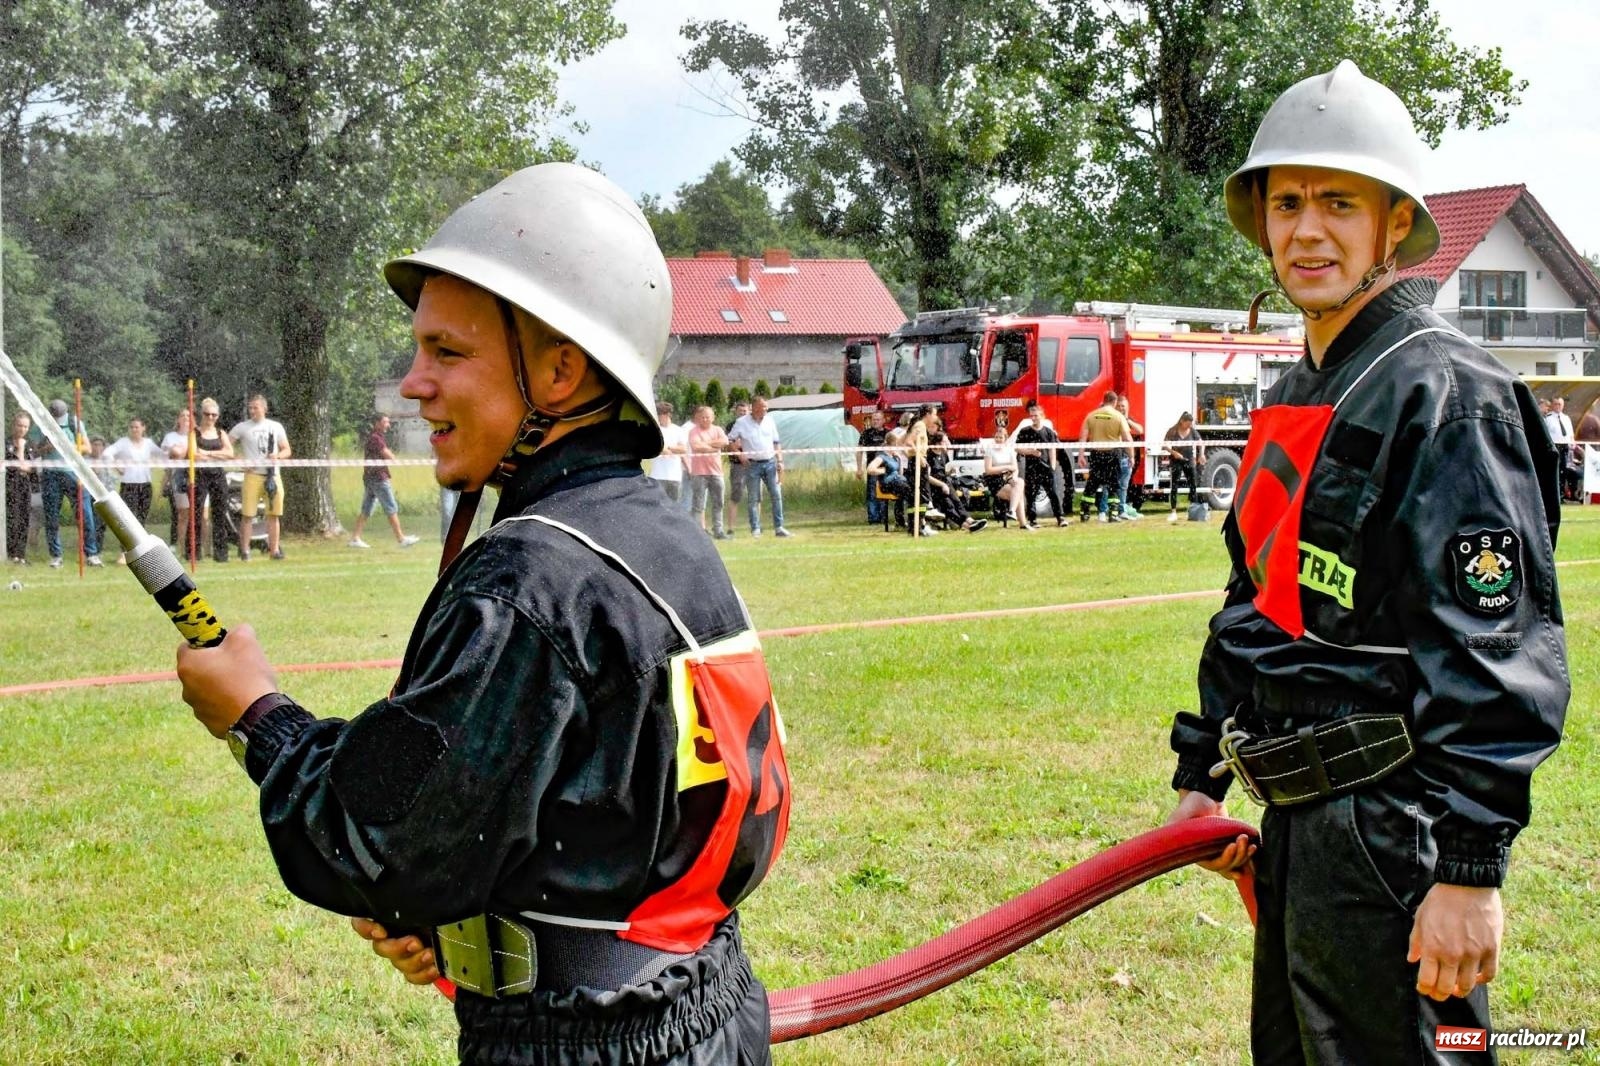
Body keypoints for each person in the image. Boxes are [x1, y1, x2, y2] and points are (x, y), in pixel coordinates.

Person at [174, 163, 786, 1066]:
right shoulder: (662, 532)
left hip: (591, 1044)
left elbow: (372, 841)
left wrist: (256, 717)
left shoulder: (531, 580)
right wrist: (474, 916)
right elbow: (590, 813)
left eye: (448, 353)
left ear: (560, 369)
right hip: (704, 1006)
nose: (414, 384)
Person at [1166, 61, 1568, 1065]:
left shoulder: (1447, 396)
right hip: (1297, 828)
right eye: (1287, 201)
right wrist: (1204, 768)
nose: (1307, 230)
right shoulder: (1306, 387)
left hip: (1399, 835)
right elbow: (1255, 597)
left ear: (1393, 224)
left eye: (1339, 203)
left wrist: (1468, 872)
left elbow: (1493, 647)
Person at [37, 398, 103, 567]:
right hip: (51, 475)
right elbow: (35, 449)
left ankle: (92, 554)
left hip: (74, 474)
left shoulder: (75, 423)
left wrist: (68, 447)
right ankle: (56, 556)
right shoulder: (42, 423)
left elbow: (87, 448)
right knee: (52, 517)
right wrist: (48, 448)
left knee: (85, 514)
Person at [229, 393, 292, 561]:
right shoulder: (242, 427)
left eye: (255, 407)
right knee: (248, 515)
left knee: (274, 514)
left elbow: (287, 449)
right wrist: (241, 462)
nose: (252, 411)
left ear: (264, 408)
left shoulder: (276, 426)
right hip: (253, 476)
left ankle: (274, 550)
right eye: (250, 408)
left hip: (273, 475)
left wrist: (277, 457)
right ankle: (245, 550)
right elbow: (227, 447)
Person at [348, 413, 421, 550]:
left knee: (366, 509)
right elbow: (388, 456)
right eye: (385, 422)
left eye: (388, 422)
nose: (388, 425)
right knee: (391, 507)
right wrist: (393, 456)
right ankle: (401, 539)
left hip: (370, 478)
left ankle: (355, 538)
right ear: (377, 423)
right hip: (378, 478)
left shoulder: (376, 438)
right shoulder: (376, 439)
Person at [104, 418, 166, 564]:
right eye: (131, 427)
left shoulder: (149, 443)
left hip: (145, 486)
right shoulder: (123, 443)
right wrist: (116, 466)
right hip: (128, 486)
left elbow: (163, 454)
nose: (134, 430)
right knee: (127, 521)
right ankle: (124, 552)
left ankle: (140, 552)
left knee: (141, 520)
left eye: (137, 427)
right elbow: (107, 453)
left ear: (143, 428)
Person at [728, 395, 789, 537]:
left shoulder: (770, 421)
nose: (766, 409)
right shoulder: (741, 422)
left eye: (766, 407)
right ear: (754, 408)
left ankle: (779, 527)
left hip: (770, 463)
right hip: (752, 465)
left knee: (776, 495)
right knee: (753, 498)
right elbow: (729, 440)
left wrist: (780, 460)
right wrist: (739, 454)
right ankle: (755, 528)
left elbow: (776, 442)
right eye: (763, 407)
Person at [190, 398, 236, 563]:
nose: (210, 418)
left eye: (214, 415)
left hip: (218, 475)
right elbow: (194, 454)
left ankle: (221, 553)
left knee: (220, 514)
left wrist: (208, 454)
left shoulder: (220, 433)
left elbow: (230, 454)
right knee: (196, 513)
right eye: (207, 414)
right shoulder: (194, 433)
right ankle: (193, 552)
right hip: (199, 476)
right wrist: (218, 453)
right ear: (201, 414)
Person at [1078, 391, 1131, 522]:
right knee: (1114, 485)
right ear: (1115, 402)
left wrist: (1081, 454)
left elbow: (1083, 436)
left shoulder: (1091, 415)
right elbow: (1127, 438)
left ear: (1104, 400)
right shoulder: (1119, 417)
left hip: (1096, 453)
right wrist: (1132, 456)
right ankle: (1113, 514)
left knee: (1092, 484)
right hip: (1113, 453)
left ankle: (1085, 512)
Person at [1014, 402, 1065, 527]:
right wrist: (1030, 451)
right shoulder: (1025, 431)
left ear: (1042, 416)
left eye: (1035, 416)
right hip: (1032, 468)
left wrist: (1052, 466)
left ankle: (1060, 518)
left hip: (1046, 467)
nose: (1033, 418)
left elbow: (1052, 449)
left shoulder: (1048, 432)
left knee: (1053, 493)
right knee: (1031, 494)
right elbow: (1017, 448)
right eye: (1031, 416)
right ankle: (1033, 519)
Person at [685, 405, 730, 539]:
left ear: (713, 418)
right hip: (699, 473)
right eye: (702, 417)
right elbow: (696, 446)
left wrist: (706, 444)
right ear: (698, 418)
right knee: (698, 504)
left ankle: (718, 530)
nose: (705, 420)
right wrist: (712, 448)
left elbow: (725, 441)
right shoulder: (693, 431)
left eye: (708, 417)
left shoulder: (718, 429)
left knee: (718, 503)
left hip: (716, 473)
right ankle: (698, 532)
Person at [979, 422, 1027, 528]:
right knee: (1018, 493)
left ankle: (1012, 511)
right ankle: (1022, 523)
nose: (998, 440)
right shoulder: (989, 450)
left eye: (1000, 438)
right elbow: (988, 470)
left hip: (1008, 478)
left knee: (1020, 482)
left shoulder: (1009, 450)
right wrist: (1005, 468)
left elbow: (1015, 468)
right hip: (995, 480)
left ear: (1005, 438)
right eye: (996, 437)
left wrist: (1013, 477)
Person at [161, 409, 195, 555]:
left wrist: (182, 451)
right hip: (177, 476)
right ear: (178, 419)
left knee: (200, 513)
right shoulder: (170, 437)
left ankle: (200, 546)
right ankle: (177, 544)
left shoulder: (195, 435)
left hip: (196, 475)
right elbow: (170, 456)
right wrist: (165, 481)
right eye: (183, 415)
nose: (186, 418)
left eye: (189, 415)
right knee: (179, 513)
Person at [1161, 412, 1206, 524]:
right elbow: (1164, 445)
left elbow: (1201, 442)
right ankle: (1173, 511)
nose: (1189, 425)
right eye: (1188, 423)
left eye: (1191, 423)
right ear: (1182, 421)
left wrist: (1201, 454)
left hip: (1189, 458)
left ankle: (1193, 509)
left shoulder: (1192, 431)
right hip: (1176, 460)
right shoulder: (1173, 431)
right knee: (1174, 485)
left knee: (1193, 484)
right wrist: (1173, 452)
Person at [646, 401, 689, 505]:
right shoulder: (654, 430)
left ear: (668, 414)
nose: (658, 416)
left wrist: (669, 447)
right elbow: (652, 446)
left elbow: (683, 449)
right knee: (657, 505)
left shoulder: (678, 430)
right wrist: (663, 449)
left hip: (674, 476)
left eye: (660, 414)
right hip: (657, 475)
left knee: (674, 506)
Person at [6, 411, 35, 563]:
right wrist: (20, 450)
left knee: (24, 520)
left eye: (25, 427)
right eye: (20, 425)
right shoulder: (6, 444)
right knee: (12, 520)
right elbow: (16, 466)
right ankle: (11, 554)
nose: (22, 429)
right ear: (13, 425)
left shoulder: (29, 446)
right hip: (9, 487)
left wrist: (23, 450)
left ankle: (21, 555)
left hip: (24, 487)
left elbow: (29, 468)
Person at [1114, 394, 1144, 519]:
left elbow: (1140, 430)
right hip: (1118, 456)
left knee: (1127, 483)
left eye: (1123, 406)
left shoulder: (1128, 420)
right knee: (1118, 483)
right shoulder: (1114, 419)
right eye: (1119, 406)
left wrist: (1128, 421)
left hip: (1130, 456)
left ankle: (1126, 506)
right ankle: (1119, 507)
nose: (1121, 408)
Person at [722, 400, 750, 536]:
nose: (743, 413)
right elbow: (730, 444)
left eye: (745, 411)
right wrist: (739, 448)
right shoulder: (731, 426)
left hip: (754, 464)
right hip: (737, 466)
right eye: (740, 411)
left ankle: (755, 526)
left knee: (756, 496)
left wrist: (742, 443)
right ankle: (731, 528)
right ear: (736, 412)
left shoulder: (753, 424)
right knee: (735, 496)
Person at [856, 410, 888, 525]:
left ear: (883, 420)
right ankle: (873, 518)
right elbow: (859, 451)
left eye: (878, 419)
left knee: (885, 492)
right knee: (872, 493)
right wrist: (859, 468)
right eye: (874, 419)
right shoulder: (866, 434)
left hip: (885, 468)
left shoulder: (888, 434)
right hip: (872, 469)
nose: (875, 422)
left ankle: (884, 517)